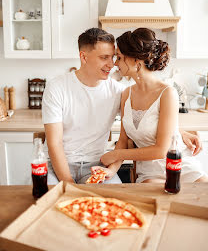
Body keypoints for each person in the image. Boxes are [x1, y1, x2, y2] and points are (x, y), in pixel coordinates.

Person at [42, 27, 203, 185]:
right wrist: (69, 184)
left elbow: (151, 117)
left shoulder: (118, 91)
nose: (112, 64)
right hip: (58, 166)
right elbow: (54, 143)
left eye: (115, 57)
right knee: (45, 200)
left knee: (116, 201)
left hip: (97, 165)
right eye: (105, 57)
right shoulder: (58, 87)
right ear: (83, 57)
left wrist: (178, 132)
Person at [98, 28, 208, 183]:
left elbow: (161, 150)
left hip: (179, 166)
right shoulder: (126, 94)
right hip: (150, 173)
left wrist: (117, 154)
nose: (115, 63)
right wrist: (109, 171)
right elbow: (123, 141)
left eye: (119, 57)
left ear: (136, 61)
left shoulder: (167, 93)